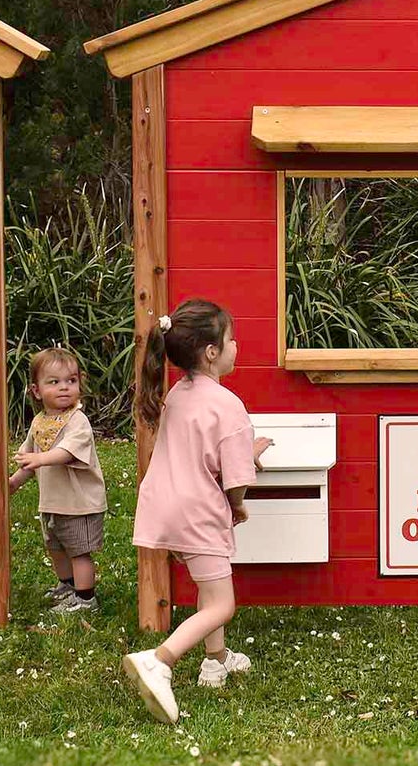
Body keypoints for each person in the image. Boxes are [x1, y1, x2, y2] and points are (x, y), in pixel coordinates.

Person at [120, 298, 273, 724]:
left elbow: (202, 451)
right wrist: (238, 506)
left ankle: (216, 659)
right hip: (198, 510)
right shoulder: (228, 405)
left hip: (166, 505)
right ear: (211, 352)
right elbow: (235, 478)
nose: (236, 345)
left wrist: (246, 451)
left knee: (210, 584)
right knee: (222, 604)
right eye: (230, 340)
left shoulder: (178, 393)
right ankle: (160, 660)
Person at [8, 348, 108, 614]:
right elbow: (30, 457)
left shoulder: (78, 421)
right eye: (54, 382)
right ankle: (68, 585)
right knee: (57, 549)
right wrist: (14, 482)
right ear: (37, 391)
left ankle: (86, 600)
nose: (64, 387)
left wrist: (40, 460)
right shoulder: (40, 422)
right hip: (53, 502)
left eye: (71, 381)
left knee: (78, 552)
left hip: (79, 503)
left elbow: (66, 453)